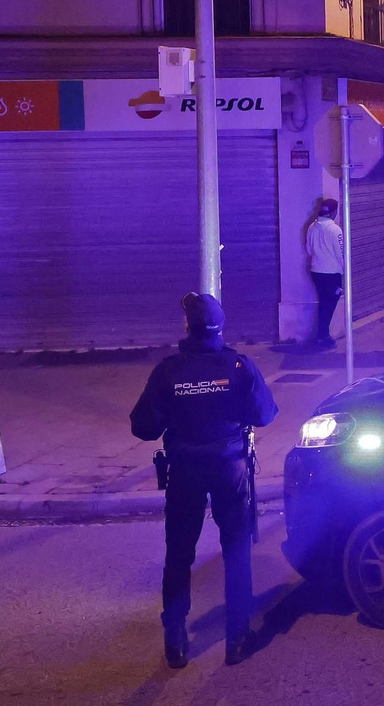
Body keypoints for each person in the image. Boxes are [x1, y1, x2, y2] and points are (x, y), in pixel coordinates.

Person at [130, 293, 278, 669]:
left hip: (185, 472)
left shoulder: (168, 371)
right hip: (230, 469)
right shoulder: (239, 365)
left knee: (180, 553)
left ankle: (176, 639)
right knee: (236, 550)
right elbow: (264, 414)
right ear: (220, 327)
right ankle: (238, 638)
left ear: (187, 327)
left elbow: (144, 427)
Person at [305, 197, 345, 350]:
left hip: (316, 271)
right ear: (334, 212)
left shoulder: (311, 227)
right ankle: (323, 335)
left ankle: (322, 334)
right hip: (332, 273)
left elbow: (309, 250)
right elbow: (340, 253)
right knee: (330, 303)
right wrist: (344, 271)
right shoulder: (335, 230)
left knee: (324, 301)